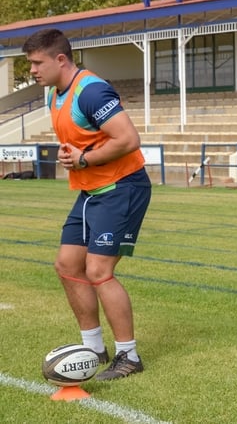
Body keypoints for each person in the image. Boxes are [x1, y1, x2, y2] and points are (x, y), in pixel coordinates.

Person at [23, 28, 151, 380]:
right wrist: (75, 157)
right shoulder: (55, 95)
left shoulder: (91, 91)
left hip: (121, 187)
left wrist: (84, 159)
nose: (32, 70)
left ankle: (129, 356)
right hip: (90, 190)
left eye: (37, 63)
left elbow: (128, 139)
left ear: (60, 59)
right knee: (67, 264)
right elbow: (83, 141)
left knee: (98, 271)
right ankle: (92, 348)